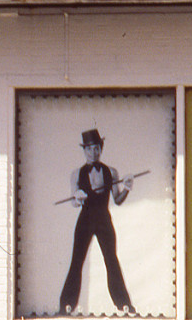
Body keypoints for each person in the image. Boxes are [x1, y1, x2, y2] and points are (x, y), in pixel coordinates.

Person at [58, 129, 135, 316]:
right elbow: (75, 203)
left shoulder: (112, 171)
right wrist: (77, 197)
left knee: (111, 260)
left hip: (104, 220)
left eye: (96, 149)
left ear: (101, 149)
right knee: (77, 261)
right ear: (84, 151)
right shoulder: (76, 174)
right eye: (89, 149)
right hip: (85, 220)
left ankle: (123, 304)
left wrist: (127, 188)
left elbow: (117, 200)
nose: (93, 153)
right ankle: (67, 305)